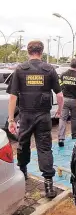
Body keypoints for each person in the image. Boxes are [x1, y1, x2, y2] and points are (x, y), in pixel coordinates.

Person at [7, 41, 63, 198]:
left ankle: (23, 173)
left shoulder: (20, 69)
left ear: (28, 52)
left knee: (23, 144)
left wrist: (11, 119)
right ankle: (49, 186)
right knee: (44, 148)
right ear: (42, 52)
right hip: (43, 116)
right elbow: (59, 95)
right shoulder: (49, 69)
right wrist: (59, 109)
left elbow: (13, 96)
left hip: (25, 116)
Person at [58, 58, 76, 147]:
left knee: (62, 119)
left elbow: (59, 84)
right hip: (74, 100)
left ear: (70, 64)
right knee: (74, 118)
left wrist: (63, 89)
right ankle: (74, 134)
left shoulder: (63, 75)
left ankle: (61, 138)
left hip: (64, 99)